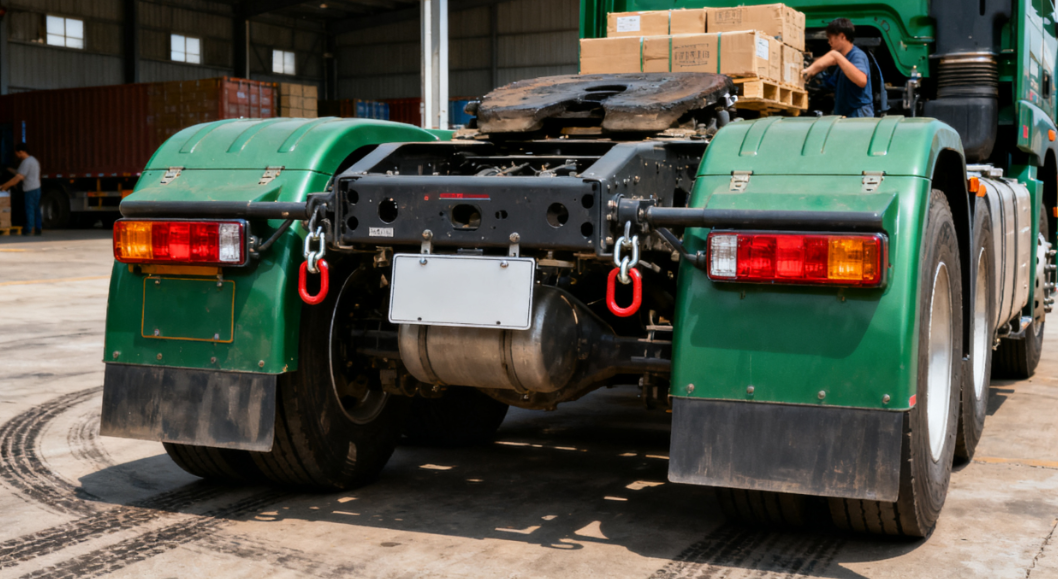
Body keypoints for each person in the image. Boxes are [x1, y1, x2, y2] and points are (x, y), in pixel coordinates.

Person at [802, 18, 873, 118]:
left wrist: (836, 56)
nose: (829, 42)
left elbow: (861, 80)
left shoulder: (857, 55)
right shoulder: (843, 61)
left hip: (858, 114)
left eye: (830, 38)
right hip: (847, 114)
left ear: (842, 37)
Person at [0, 143, 42, 236]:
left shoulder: (26, 162)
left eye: (17, 153)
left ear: (21, 152)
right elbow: (19, 172)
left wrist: (4, 186)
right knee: (36, 209)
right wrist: (8, 168)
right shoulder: (34, 160)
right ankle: (38, 228)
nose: (17, 156)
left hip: (30, 189)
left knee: (29, 209)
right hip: (37, 188)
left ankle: (30, 229)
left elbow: (18, 178)